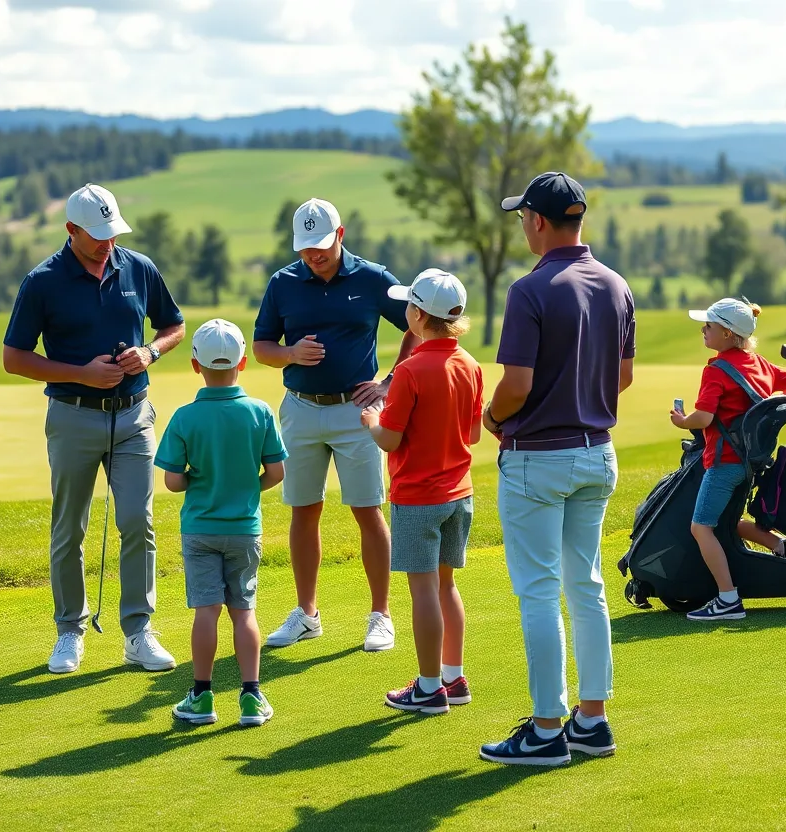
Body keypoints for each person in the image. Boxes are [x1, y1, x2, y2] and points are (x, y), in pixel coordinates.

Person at [478, 172, 634, 767]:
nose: (521, 224)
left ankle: (546, 731)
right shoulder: (616, 285)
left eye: (523, 216)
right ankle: (591, 721)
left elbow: (515, 386)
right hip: (597, 453)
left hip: (536, 459)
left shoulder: (530, 289)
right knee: (586, 586)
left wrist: (493, 416)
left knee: (540, 593)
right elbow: (620, 379)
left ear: (539, 221)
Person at [3, 183, 185, 675]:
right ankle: (69, 631)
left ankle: (139, 630)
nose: (108, 242)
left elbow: (174, 326)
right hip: (73, 414)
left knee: (137, 522)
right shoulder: (42, 281)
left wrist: (149, 353)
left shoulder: (138, 267)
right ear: (71, 230)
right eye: (97, 234)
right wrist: (81, 372)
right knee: (70, 528)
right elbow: (14, 358)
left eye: (112, 232)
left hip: (133, 415)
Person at [252, 197, 421, 653]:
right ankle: (307, 614)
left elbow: (418, 323)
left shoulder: (372, 278)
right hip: (301, 408)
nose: (314, 255)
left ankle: (380, 616)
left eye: (322, 246)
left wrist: (388, 382)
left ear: (341, 235)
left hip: (356, 412)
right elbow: (262, 346)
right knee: (303, 510)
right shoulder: (283, 282)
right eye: (306, 249)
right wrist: (289, 354)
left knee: (368, 510)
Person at [359, 269, 484, 715]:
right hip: (460, 493)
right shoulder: (470, 364)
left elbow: (390, 440)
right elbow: (472, 433)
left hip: (418, 495)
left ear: (416, 314)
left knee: (423, 590)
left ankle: (429, 687)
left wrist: (372, 419)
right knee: (446, 585)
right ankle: (453, 677)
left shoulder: (411, 370)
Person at [156, 319, 287, 727]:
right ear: (243, 362)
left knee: (207, 611)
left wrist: (197, 478)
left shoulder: (185, 417)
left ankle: (201, 696)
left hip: (200, 529)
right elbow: (276, 473)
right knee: (243, 611)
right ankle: (250, 696)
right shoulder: (259, 412)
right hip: (244, 528)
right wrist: (249, 489)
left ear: (196, 365)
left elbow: (173, 481)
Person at [670, 298, 786, 622]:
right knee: (725, 519)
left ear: (728, 334)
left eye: (709, 325)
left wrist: (681, 421)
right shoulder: (759, 364)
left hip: (724, 464)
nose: (703, 329)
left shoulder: (716, 369)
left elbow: (704, 418)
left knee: (701, 528)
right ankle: (781, 547)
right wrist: (765, 406)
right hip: (749, 464)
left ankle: (728, 600)